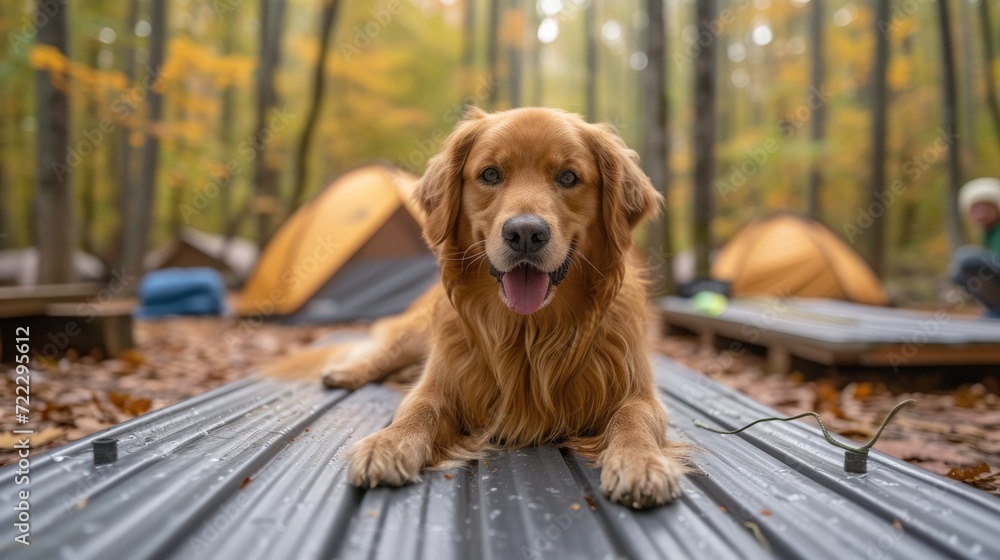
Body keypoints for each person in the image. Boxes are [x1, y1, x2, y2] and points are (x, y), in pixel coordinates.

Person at [950, 177, 1000, 319]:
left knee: (966, 257)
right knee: (957, 273)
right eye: (976, 210)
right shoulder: (989, 233)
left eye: (986, 209)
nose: (981, 215)